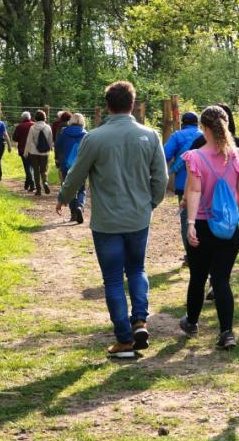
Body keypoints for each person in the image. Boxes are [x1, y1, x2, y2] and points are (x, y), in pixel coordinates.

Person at [57, 81, 167, 359]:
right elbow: (162, 179)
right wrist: (149, 204)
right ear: (133, 104)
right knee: (137, 270)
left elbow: (76, 173)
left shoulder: (94, 138)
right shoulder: (150, 135)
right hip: (138, 217)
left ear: (107, 105)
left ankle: (124, 339)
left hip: (107, 222)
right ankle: (140, 320)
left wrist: (64, 196)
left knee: (113, 280)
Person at [179, 106, 239, 351]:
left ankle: (191, 322)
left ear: (204, 128)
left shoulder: (195, 157)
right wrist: (231, 215)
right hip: (228, 228)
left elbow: (195, 191)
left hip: (201, 224)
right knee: (221, 279)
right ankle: (227, 332)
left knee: (198, 277)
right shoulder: (238, 156)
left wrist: (190, 224)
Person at [164, 112, 203, 264]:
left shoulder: (177, 136)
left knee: (187, 220)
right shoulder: (205, 135)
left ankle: (191, 256)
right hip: (204, 184)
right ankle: (204, 253)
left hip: (184, 185)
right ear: (197, 123)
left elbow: (165, 155)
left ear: (182, 123)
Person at [55, 113, 89, 222]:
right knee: (82, 188)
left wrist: (57, 159)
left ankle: (73, 213)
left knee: (69, 188)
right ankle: (80, 206)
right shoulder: (86, 135)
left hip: (66, 165)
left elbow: (57, 147)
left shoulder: (64, 133)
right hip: (82, 165)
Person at [25, 110, 54, 196]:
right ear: (44, 118)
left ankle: (38, 189)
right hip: (44, 153)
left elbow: (29, 141)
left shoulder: (32, 127)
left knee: (36, 171)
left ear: (35, 118)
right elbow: (50, 140)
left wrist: (26, 152)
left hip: (33, 152)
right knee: (44, 170)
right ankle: (45, 182)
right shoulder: (48, 127)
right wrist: (49, 148)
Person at [13, 111, 36, 192]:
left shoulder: (19, 127)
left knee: (27, 167)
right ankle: (28, 184)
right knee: (32, 167)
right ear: (29, 117)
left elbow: (15, 138)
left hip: (23, 149)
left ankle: (32, 184)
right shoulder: (34, 125)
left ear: (22, 118)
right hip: (34, 149)